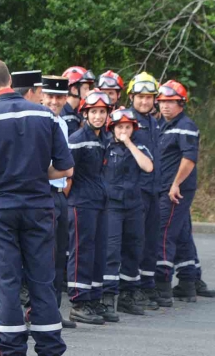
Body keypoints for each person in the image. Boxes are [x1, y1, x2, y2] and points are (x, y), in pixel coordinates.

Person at [0, 58, 73, 356]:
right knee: (42, 279)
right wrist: (37, 173)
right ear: (9, 80)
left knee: (7, 282)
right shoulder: (45, 115)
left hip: (0, 212)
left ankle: (12, 349)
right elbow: (64, 167)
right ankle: (50, 347)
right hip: (39, 207)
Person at [66, 90, 115, 325]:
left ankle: (94, 298)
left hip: (100, 203)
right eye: (93, 111)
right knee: (82, 252)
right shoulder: (77, 139)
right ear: (85, 113)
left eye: (102, 112)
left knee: (98, 253)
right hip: (81, 203)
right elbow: (67, 175)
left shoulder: (104, 138)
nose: (98, 116)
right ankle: (79, 301)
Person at [101, 108, 154, 316]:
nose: (123, 131)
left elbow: (148, 167)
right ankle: (107, 296)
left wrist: (129, 143)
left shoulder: (138, 146)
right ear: (112, 128)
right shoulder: (105, 146)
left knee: (134, 249)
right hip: (112, 205)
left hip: (134, 205)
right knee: (111, 251)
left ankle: (127, 295)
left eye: (127, 127)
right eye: (120, 127)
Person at [154, 80, 202, 305]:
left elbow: (189, 158)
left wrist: (175, 184)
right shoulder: (164, 124)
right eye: (163, 102)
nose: (165, 106)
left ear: (181, 103)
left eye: (171, 102)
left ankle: (162, 286)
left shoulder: (186, 126)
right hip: (166, 187)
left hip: (174, 190)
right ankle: (187, 283)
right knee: (181, 233)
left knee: (164, 233)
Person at [40, 75, 76, 329]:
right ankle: (41, 311)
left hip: (59, 194)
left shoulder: (62, 122)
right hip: (44, 192)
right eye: (50, 96)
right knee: (44, 256)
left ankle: (53, 309)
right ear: (41, 96)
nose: (54, 101)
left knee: (59, 256)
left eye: (59, 97)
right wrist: (64, 171)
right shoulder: (38, 121)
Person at [126, 72, 164, 309]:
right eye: (140, 97)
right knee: (134, 242)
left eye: (149, 97)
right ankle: (133, 288)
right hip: (135, 191)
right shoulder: (126, 121)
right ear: (131, 97)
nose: (144, 101)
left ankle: (147, 286)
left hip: (153, 191)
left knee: (151, 240)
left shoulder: (153, 121)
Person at [61, 67, 96, 136]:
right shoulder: (62, 112)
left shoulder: (78, 111)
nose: (88, 92)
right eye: (85, 89)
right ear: (74, 90)